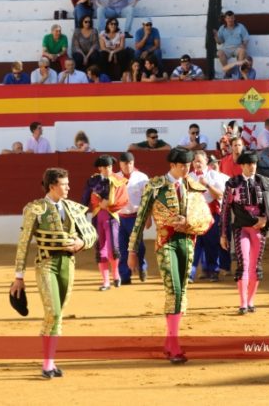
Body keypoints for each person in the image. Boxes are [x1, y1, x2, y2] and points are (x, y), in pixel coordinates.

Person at [127, 147, 213, 364]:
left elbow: (206, 218)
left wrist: (190, 223)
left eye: (189, 165)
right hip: (166, 243)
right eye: (183, 166)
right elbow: (140, 220)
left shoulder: (193, 187)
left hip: (187, 242)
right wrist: (132, 251)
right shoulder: (155, 187)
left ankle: (169, 340)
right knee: (174, 290)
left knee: (182, 291)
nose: (187, 169)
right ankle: (174, 345)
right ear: (172, 165)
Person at [10, 168, 96, 378]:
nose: (68, 187)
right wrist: (18, 277)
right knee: (53, 312)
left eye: (67, 183)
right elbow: (24, 243)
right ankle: (47, 364)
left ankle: (51, 362)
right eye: (64, 184)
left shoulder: (73, 208)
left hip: (68, 263)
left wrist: (82, 242)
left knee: (58, 316)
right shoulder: (36, 208)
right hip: (46, 263)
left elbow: (92, 233)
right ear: (52, 186)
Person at [220, 151, 269, 314]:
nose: (252, 167)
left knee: (255, 266)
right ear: (242, 166)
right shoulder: (232, 184)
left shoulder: (265, 182)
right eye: (248, 164)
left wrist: (266, 220)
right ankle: (243, 302)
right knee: (244, 264)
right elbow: (225, 210)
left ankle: (251, 301)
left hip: (259, 229)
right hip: (241, 228)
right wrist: (224, 234)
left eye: (254, 164)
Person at [82, 154, 129, 290]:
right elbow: (85, 199)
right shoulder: (93, 181)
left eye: (109, 166)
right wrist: (82, 216)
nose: (107, 169)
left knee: (113, 249)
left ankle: (116, 275)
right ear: (99, 168)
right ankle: (106, 282)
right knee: (100, 249)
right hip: (97, 217)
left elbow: (123, 200)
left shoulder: (119, 180)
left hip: (112, 217)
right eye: (104, 167)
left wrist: (107, 204)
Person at [189, 151, 231, 282]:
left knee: (212, 243)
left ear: (206, 162)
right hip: (195, 214)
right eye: (195, 161)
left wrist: (207, 185)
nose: (197, 164)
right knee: (194, 244)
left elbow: (220, 195)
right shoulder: (189, 176)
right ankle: (191, 272)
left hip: (211, 213)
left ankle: (213, 270)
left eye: (200, 161)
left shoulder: (213, 175)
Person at [114, 152, 149, 284]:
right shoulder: (115, 178)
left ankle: (142, 266)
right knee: (122, 247)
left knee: (138, 246)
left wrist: (148, 217)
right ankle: (125, 276)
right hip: (119, 217)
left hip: (136, 217)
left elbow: (147, 199)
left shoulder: (142, 178)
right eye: (125, 163)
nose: (127, 166)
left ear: (133, 163)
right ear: (120, 164)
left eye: (130, 163)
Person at [215, 11, 250, 77]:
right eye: (228, 18)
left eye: (232, 18)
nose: (230, 20)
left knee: (242, 50)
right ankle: (228, 73)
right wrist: (216, 36)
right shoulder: (222, 28)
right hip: (226, 48)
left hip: (237, 47)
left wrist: (244, 45)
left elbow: (246, 38)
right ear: (225, 19)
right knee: (219, 52)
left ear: (234, 18)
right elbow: (219, 42)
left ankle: (240, 73)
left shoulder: (240, 26)